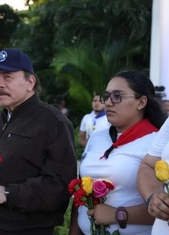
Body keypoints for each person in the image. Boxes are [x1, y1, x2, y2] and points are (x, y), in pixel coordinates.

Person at [0, 48, 77, 235]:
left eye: (7, 77)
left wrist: (7, 193)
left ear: (30, 82)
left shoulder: (52, 122)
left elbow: (61, 184)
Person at [69, 71, 166, 235]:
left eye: (117, 96)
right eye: (106, 96)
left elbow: (163, 207)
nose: (108, 103)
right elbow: (80, 196)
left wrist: (118, 214)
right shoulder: (97, 138)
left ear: (141, 102)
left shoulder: (157, 144)